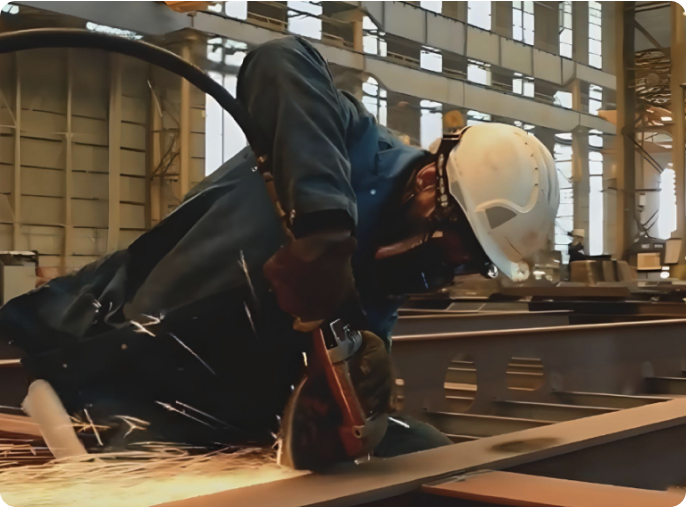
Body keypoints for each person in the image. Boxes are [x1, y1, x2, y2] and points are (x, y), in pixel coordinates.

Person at [0, 36, 558, 460]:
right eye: (457, 243)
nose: (451, 266)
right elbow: (281, 58)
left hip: (218, 417)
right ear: (431, 184)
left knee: (423, 453)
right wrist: (324, 228)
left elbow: (344, 360)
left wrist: (352, 392)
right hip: (113, 360)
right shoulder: (349, 144)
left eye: (471, 262)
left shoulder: (393, 273)